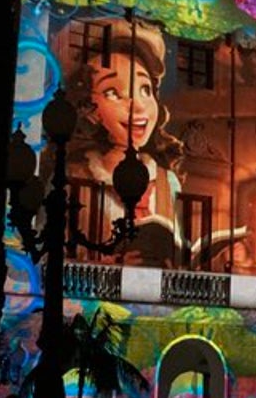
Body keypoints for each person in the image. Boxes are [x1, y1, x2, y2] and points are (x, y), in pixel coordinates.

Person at [70, 16, 185, 268]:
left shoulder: (167, 181)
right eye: (113, 92)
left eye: (145, 89)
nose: (138, 106)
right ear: (91, 110)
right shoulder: (74, 176)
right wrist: (111, 263)